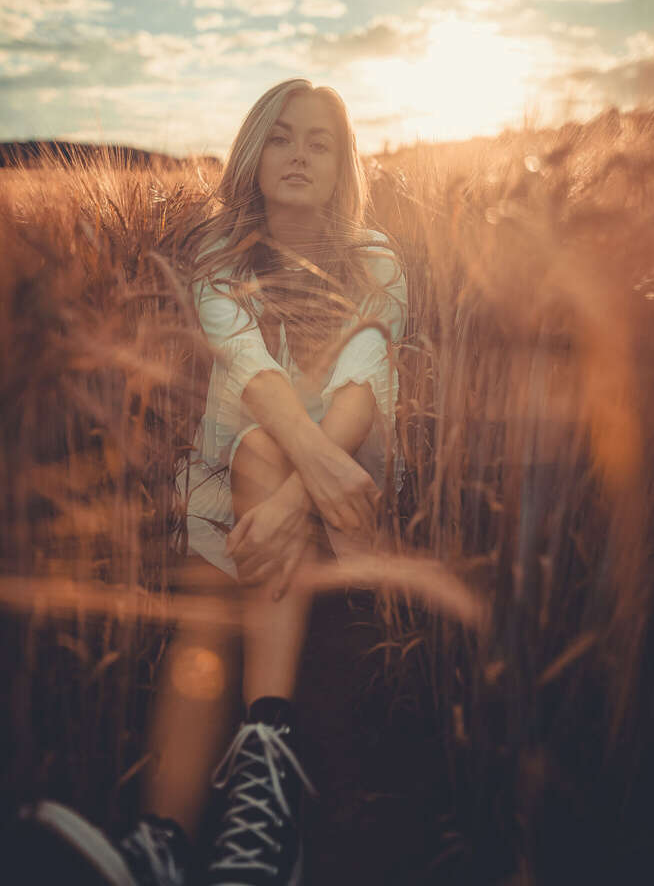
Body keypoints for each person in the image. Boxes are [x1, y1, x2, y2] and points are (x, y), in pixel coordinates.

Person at [14, 78, 407, 886]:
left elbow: (364, 386)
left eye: (319, 142)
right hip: (238, 479)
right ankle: (188, 839)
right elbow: (250, 372)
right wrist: (293, 478)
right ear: (253, 151)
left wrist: (300, 491)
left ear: (342, 166)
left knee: (265, 461)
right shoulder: (218, 258)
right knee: (210, 598)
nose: (298, 155)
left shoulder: (375, 258)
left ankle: (186, 841)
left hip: (347, 491)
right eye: (281, 137)